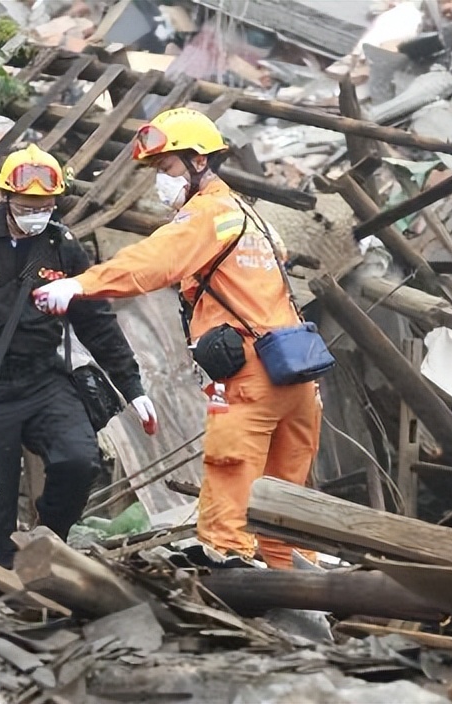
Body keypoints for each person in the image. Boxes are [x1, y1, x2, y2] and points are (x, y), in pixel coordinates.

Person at [33, 108, 322, 570]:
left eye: (166, 168)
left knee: (230, 491)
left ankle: (233, 572)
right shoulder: (251, 215)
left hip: (250, 376)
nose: (160, 181)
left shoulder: (207, 214)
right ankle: (299, 585)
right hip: (298, 372)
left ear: (199, 161)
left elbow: (155, 262)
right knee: (284, 498)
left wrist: (81, 284)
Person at [0, 144, 157, 566]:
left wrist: (132, 387)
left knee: (79, 460)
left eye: (45, 206)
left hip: (43, 377)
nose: (36, 213)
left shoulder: (62, 246)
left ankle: (48, 537)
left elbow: (95, 319)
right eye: (27, 205)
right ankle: (1, 576)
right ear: (6, 197)